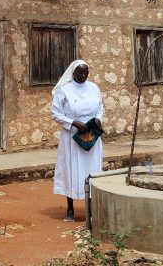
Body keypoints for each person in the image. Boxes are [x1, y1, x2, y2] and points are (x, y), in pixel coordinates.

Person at [51, 60, 104, 222]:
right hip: (72, 136)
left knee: (92, 170)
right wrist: (73, 122)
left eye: (85, 73)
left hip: (91, 135)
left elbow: (100, 108)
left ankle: (91, 208)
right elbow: (55, 113)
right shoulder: (64, 90)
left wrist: (98, 119)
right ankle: (70, 209)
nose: (83, 76)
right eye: (79, 73)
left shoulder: (93, 88)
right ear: (73, 73)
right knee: (72, 170)